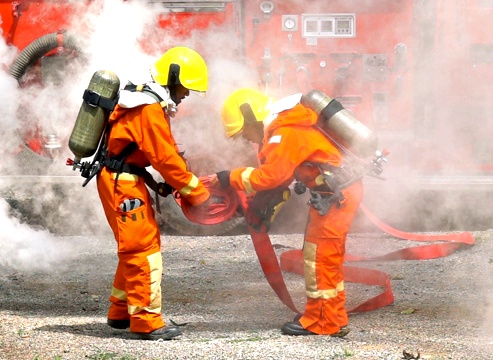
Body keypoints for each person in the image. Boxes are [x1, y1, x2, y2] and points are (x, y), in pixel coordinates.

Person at [210, 88, 363, 337]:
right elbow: (280, 173)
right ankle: (334, 316)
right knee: (327, 257)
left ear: (251, 117)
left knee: (319, 259)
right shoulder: (288, 124)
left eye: (244, 132)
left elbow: (272, 176)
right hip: (335, 194)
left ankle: (321, 322)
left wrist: (231, 177)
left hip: (335, 196)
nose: (247, 138)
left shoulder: (286, 130)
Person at [96, 46, 212, 340]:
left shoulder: (146, 101)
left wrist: (153, 182)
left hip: (123, 179)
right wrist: (198, 193)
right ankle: (146, 322)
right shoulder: (148, 108)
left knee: (132, 246)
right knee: (142, 249)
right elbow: (165, 158)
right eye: (186, 88)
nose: (186, 95)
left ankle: (121, 311)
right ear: (173, 78)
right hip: (122, 184)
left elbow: (139, 154)